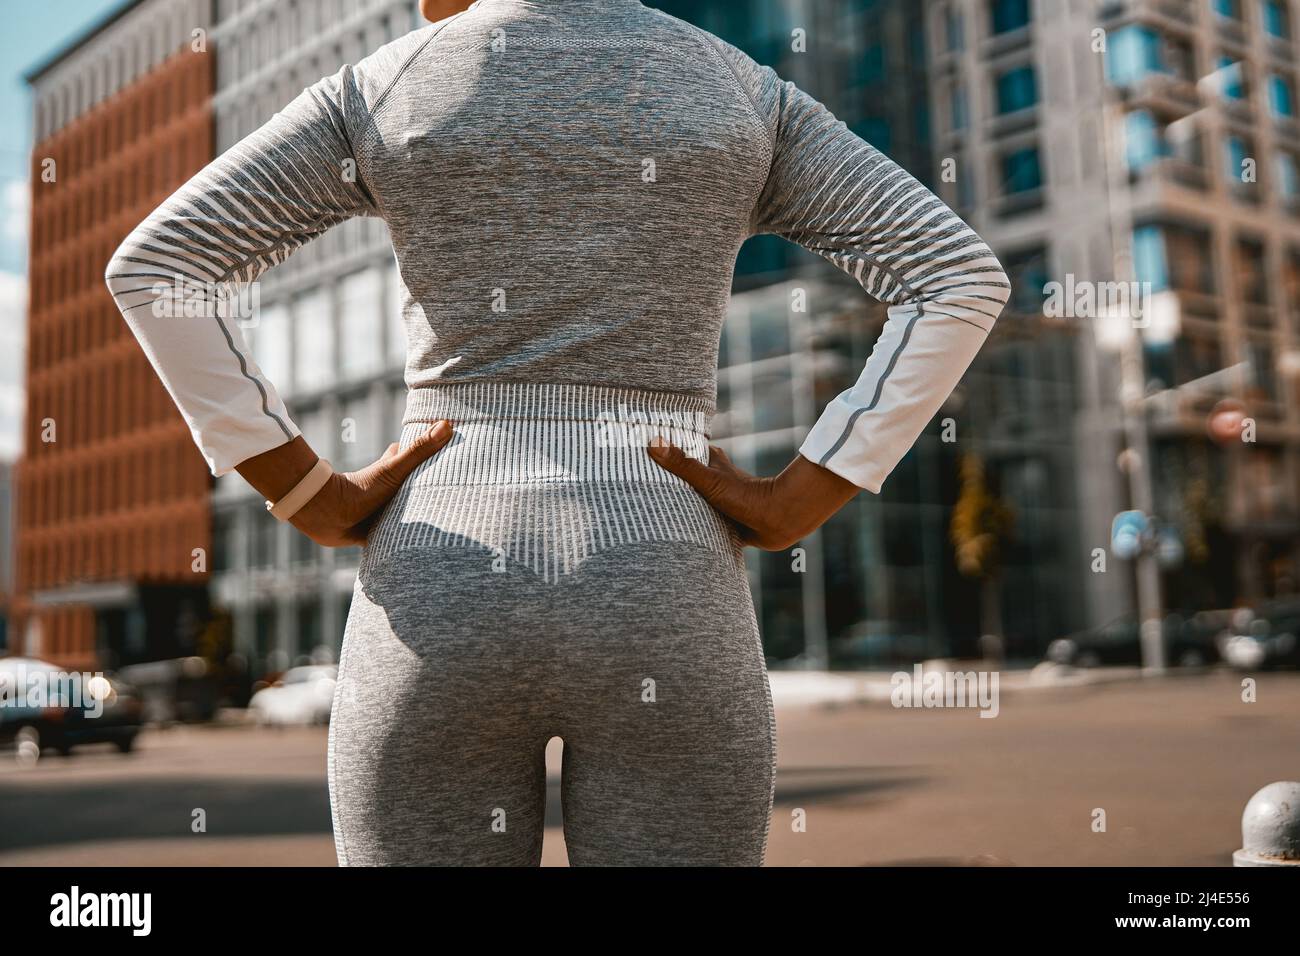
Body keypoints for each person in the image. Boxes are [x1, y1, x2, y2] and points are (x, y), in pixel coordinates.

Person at [105, 0, 1009, 866]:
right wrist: (804, 496)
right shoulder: (739, 90)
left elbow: (159, 266)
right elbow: (957, 277)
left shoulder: (385, 86)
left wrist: (304, 490)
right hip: (665, 574)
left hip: (438, 577)